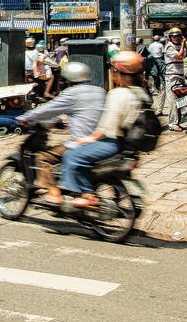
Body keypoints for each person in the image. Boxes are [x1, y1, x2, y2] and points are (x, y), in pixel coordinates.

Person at [60, 51, 150, 207]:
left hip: (114, 143)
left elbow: (109, 125)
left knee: (72, 156)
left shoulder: (118, 94)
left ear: (120, 73)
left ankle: (86, 194)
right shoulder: (143, 93)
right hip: (131, 145)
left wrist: (90, 138)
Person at [16, 62, 107, 205]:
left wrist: (25, 117)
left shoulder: (71, 93)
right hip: (102, 140)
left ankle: (53, 192)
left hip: (82, 142)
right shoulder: (99, 90)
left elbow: (49, 109)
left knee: (42, 157)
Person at [159, 27, 187, 131]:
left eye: (178, 36)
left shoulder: (179, 46)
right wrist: (182, 45)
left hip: (180, 76)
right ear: (170, 37)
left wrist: (185, 44)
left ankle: (179, 120)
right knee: (172, 101)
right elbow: (179, 56)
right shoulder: (169, 46)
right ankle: (172, 124)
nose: (176, 38)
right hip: (172, 77)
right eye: (174, 36)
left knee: (181, 100)